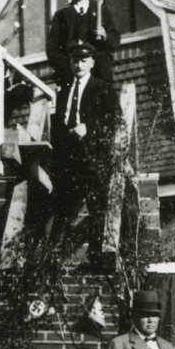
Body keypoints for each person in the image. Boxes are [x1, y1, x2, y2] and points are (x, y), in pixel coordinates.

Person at [46, 41, 120, 258]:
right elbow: (58, 124)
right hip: (68, 158)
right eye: (75, 60)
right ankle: (56, 258)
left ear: (92, 63)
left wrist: (88, 127)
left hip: (93, 155)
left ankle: (96, 257)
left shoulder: (102, 88)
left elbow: (115, 117)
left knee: (97, 206)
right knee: (63, 208)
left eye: (84, 60)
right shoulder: (64, 91)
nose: (79, 64)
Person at [46, 0, 120, 87]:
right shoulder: (61, 15)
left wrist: (105, 36)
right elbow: (52, 49)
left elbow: (115, 39)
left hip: (100, 74)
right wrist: (68, 68)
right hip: (72, 76)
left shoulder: (101, 10)